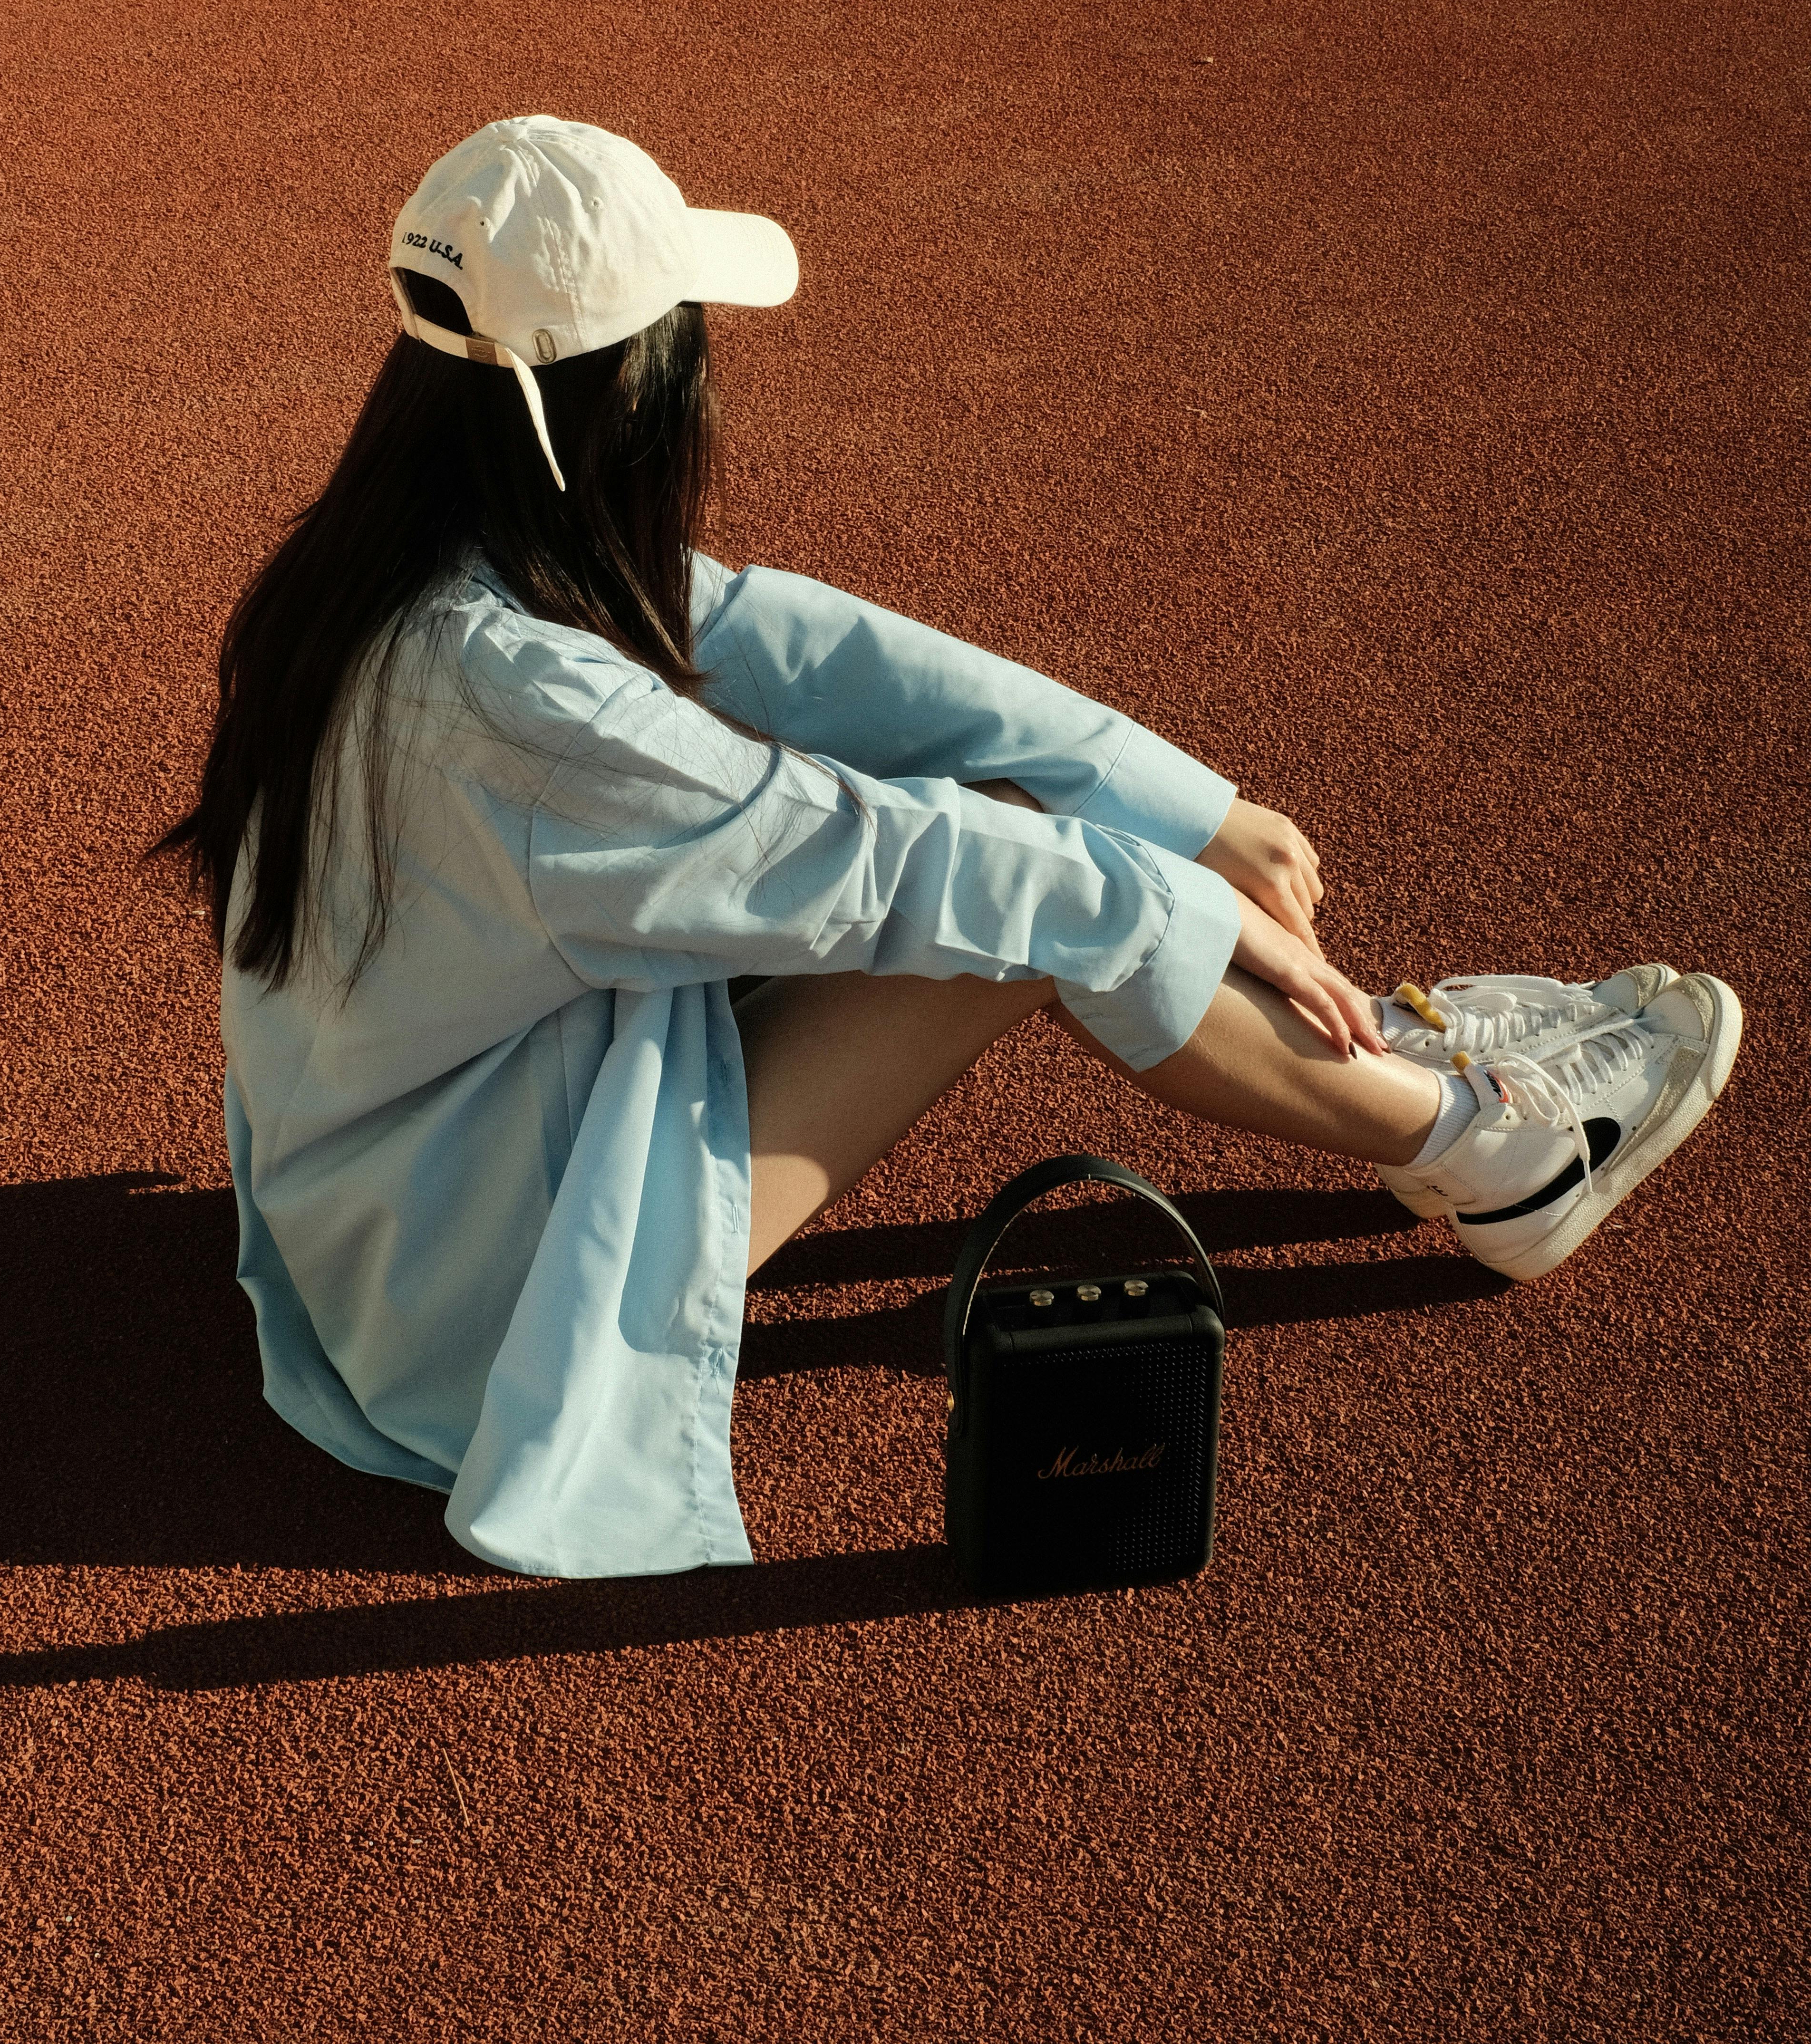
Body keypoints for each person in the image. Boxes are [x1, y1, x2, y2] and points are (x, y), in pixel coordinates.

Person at [160, 116, 1740, 1580]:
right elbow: (873, 858)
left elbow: (799, 645)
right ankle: (1495, 1151)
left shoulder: (389, 569)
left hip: (396, 1201)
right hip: (481, 1316)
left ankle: (1393, 1053)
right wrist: (1176, 893)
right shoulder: (527, 704)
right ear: (629, 394)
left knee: (1042, 858)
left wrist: (1194, 811)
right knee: (1018, 907)